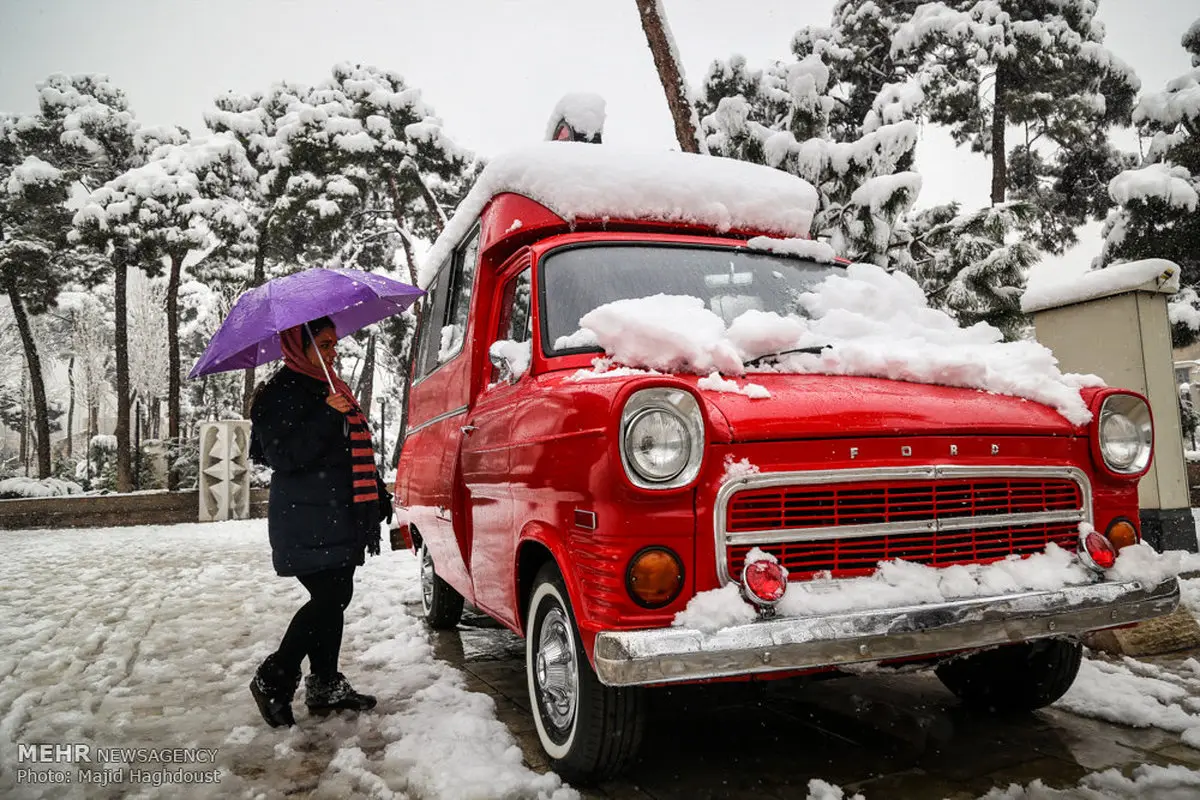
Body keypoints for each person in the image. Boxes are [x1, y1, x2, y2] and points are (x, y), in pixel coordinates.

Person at [246, 315, 392, 727]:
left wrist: (377, 494)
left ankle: (325, 682)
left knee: (336, 597)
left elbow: (352, 453)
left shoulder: (334, 388)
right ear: (299, 345)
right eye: (324, 344)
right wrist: (326, 415)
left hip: (341, 514)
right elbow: (282, 458)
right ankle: (275, 676)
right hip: (305, 516)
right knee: (328, 599)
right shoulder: (278, 393)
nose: (334, 352)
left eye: (334, 344)